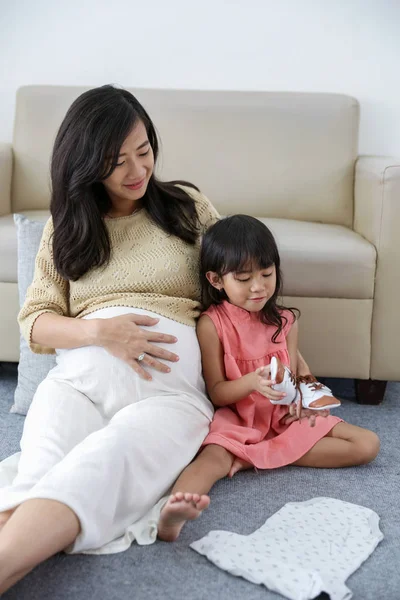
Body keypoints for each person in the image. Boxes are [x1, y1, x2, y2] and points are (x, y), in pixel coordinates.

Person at [156, 215, 380, 543]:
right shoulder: (212, 324)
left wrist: (311, 401)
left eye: (266, 273)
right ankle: (172, 512)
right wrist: (251, 383)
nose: (258, 286)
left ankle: (253, 457)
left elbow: (300, 372)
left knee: (367, 444)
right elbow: (218, 392)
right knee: (211, 461)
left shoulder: (286, 320)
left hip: (283, 418)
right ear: (216, 280)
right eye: (244, 278)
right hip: (238, 418)